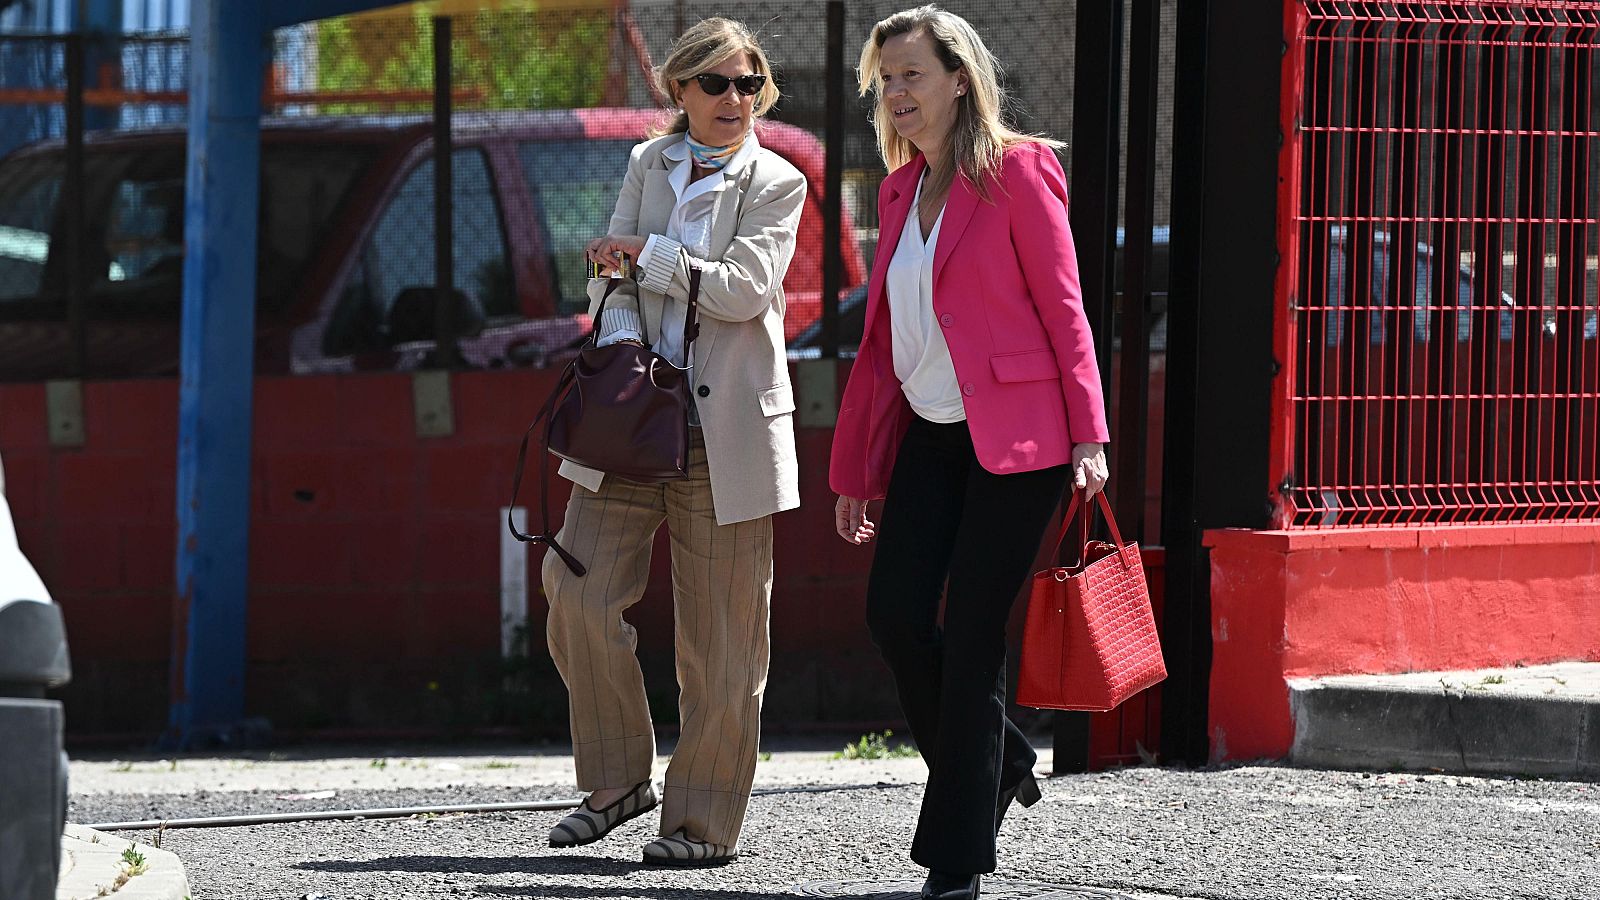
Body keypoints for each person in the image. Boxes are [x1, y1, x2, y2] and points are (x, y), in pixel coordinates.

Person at [830, 6, 1111, 899]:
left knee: (977, 634)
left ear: (960, 79)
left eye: (912, 74)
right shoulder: (896, 190)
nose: (897, 92)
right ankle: (1000, 760)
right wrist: (858, 471)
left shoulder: (1018, 171)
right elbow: (885, 343)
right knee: (895, 613)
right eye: (886, 79)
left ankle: (956, 861)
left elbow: (1065, 306)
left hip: (1020, 438)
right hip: (931, 433)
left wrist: (1089, 431)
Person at [540, 17, 806, 868]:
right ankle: (618, 781)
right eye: (717, 84)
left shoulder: (779, 180)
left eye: (749, 84)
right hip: (630, 424)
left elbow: (744, 291)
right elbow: (606, 275)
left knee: (723, 644)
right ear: (680, 90)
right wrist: (622, 332)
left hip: (725, 435)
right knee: (574, 589)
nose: (736, 99)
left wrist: (648, 256)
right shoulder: (647, 163)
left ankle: (700, 824)